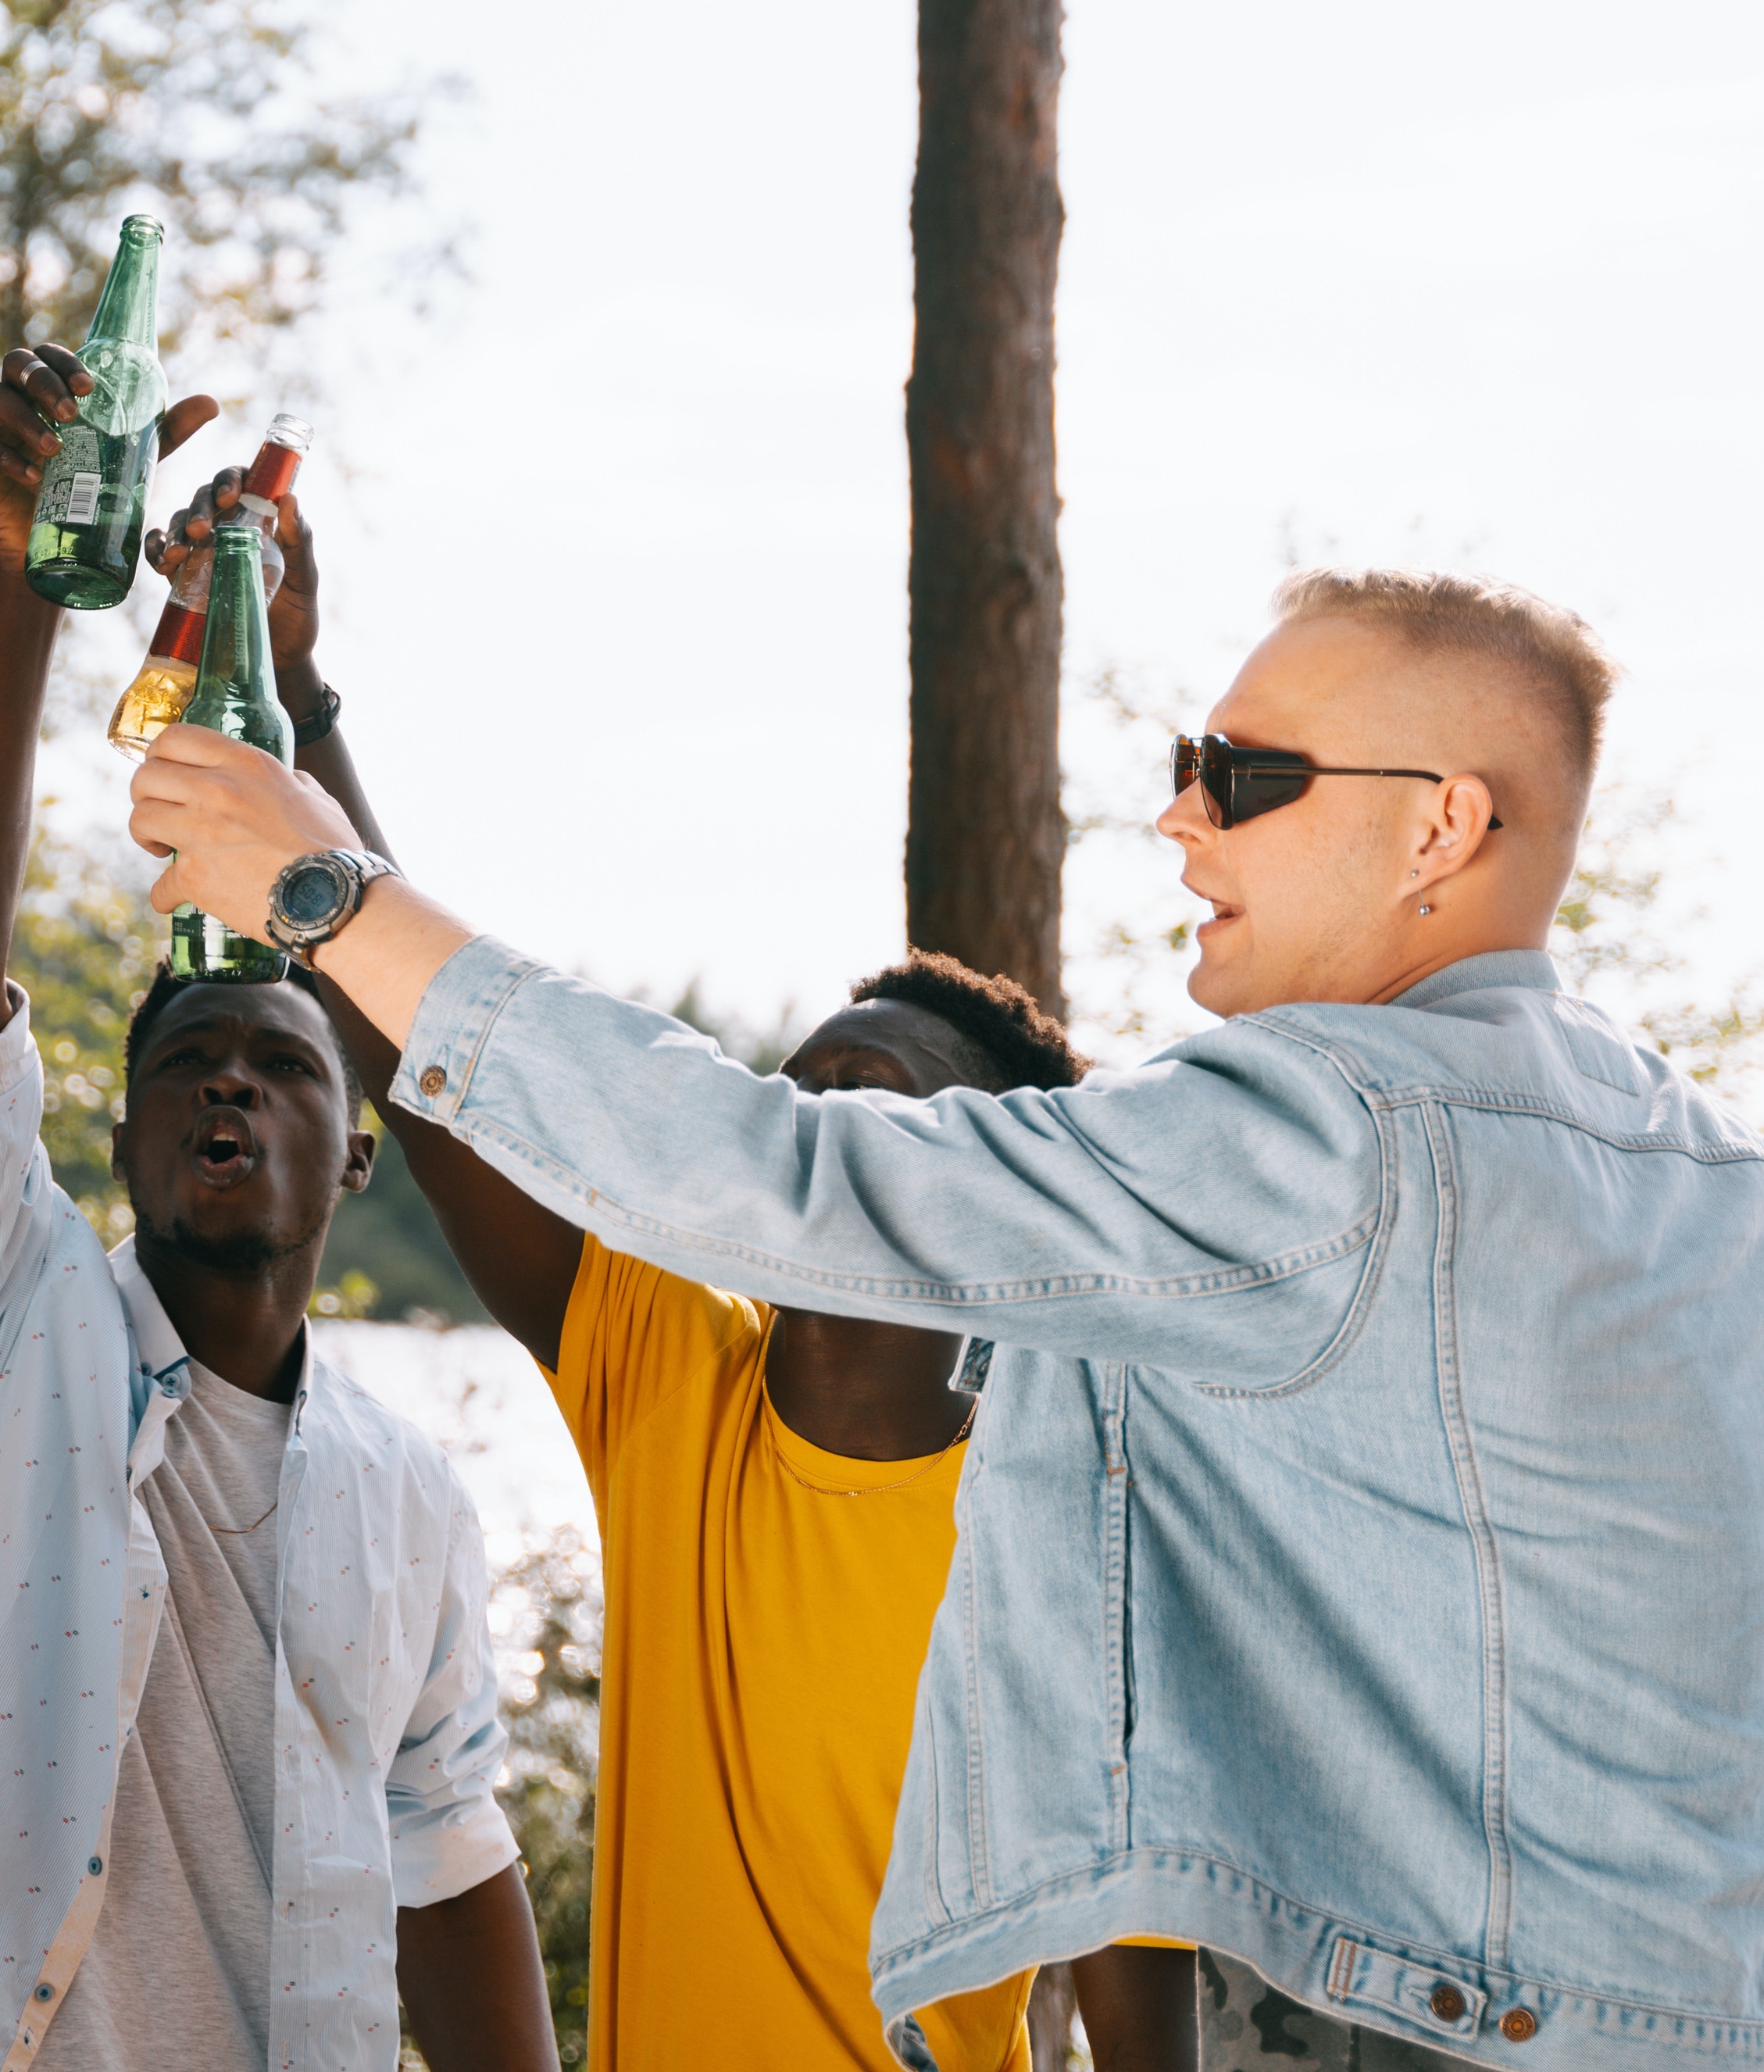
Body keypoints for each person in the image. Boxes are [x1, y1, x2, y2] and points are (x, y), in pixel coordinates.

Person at [131, 566, 1764, 2072]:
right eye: (1186, 764)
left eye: (1244, 774)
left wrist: (324, 886)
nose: (1177, 819)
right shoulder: (1741, 1194)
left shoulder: (1327, 1123)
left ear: (1441, 827)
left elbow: (782, 1177)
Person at [148, 449, 1187, 2072]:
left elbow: (1141, 2018)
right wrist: (300, 690)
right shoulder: (670, 1371)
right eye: (803, 1092)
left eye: (883, 1102)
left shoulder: (1077, 1544)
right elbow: (437, 1072)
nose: (821, 1125)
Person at [0, 347, 554, 2072]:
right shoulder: (7, 1330)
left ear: (356, 1148)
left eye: (283, 1063)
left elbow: (445, 1847)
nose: (229, 1082)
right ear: (115, 1138)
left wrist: (307, 686)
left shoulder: (412, 1490)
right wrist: (21, 589)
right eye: (188, 1058)